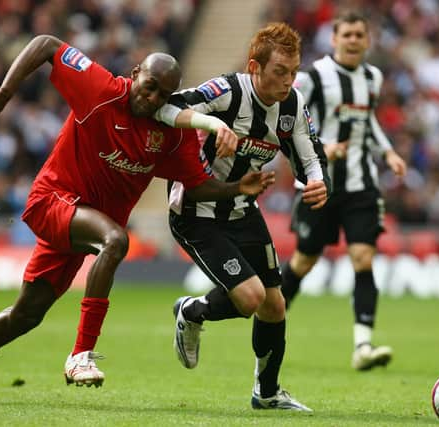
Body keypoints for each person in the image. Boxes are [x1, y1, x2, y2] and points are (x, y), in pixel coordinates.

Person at [0, 34, 276, 402]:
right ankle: (81, 354)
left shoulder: (171, 135)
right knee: (116, 240)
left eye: (163, 95)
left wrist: (236, 188)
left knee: (26, 315)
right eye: (149, 86)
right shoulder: (100, 89)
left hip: (82, 222)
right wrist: (6, 92)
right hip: (53, 200)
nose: (152, 99)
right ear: (136, 74)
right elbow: (45, 44)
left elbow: (197, 186)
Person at [165, 22, 329, 411]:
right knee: (252, 297)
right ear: (255, 67)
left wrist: (317, 182)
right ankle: (192, 311)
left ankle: (267, 393)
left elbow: (308, 152)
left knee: (275, 304)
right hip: (196, 210)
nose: (288, 81)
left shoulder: (292, 105)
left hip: (242, 209)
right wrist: (211, 123)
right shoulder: (226, 91)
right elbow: (168, 105)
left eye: (293, 71)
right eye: (279, 72)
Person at [280, 12, 407, 371]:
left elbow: (369, 122)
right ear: (334, 39)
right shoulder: (314, 76)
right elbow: (292, 120)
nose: (353, 40)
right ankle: (272, 319)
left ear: (367, 41)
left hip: (361, 184)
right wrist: (324, 145)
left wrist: (388, 151)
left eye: (359, 35)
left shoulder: (373, 77)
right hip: (320, 184)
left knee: (363, 259)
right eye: (346, 34)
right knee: (304, 261)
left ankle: (362, 345)